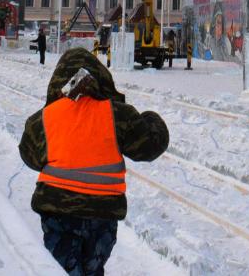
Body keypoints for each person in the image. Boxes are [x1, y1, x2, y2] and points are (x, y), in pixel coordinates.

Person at [19, 49, 169, 276]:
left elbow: (29, 155)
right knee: (93, 269)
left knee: (62, 269)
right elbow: (151, 146)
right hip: (103, 216)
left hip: (57, 213)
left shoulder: (45, 117)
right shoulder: (119, 115)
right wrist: (149, 118)